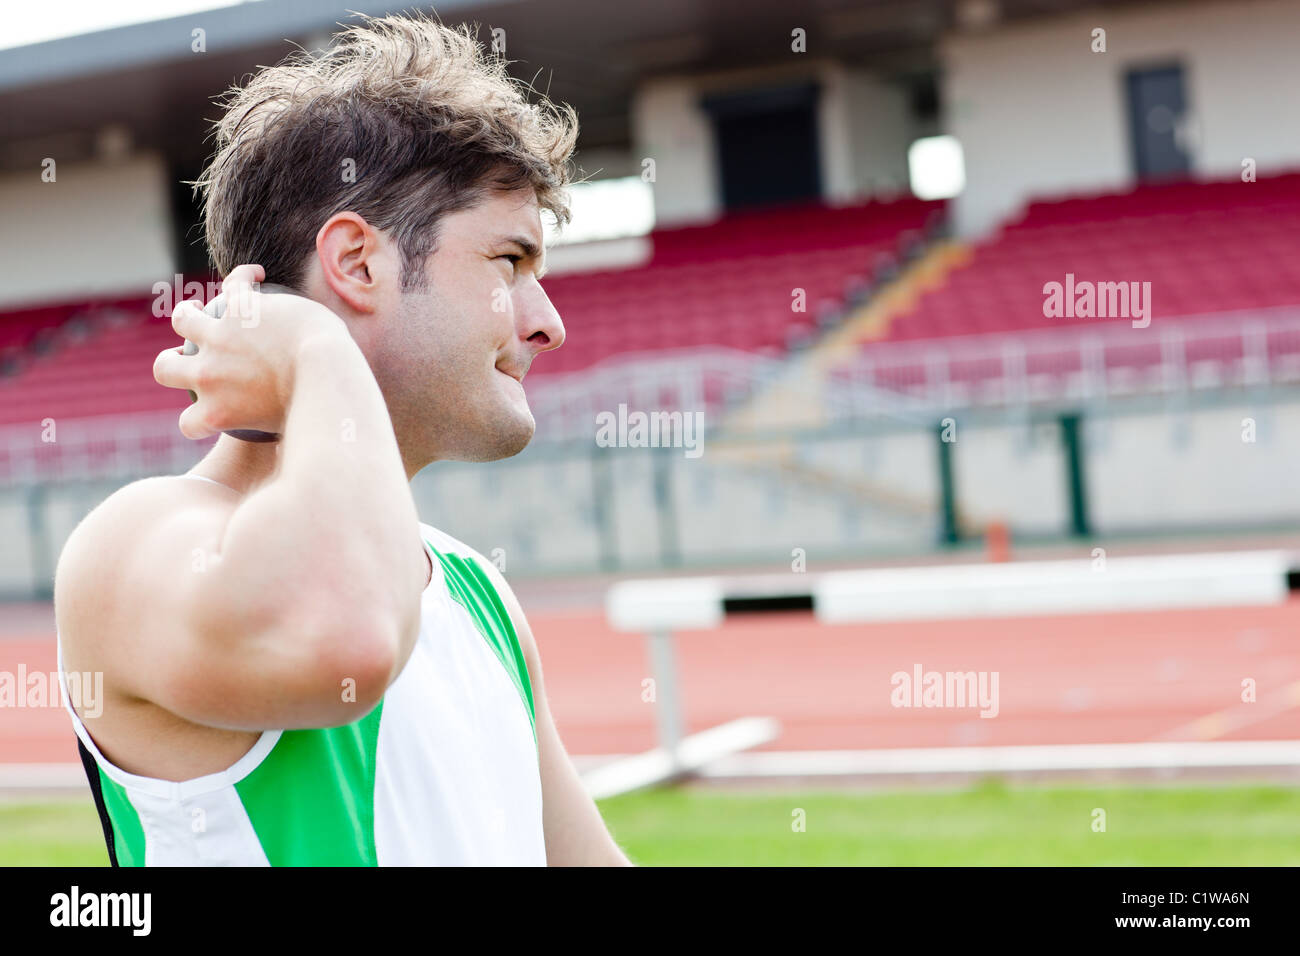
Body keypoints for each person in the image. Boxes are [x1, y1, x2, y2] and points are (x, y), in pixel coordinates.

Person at [54, 13, 630, 866]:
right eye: (510, 264)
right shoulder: (132, 542)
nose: (548, 326)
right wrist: (311, 345)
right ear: (357, 264)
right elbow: (346, 640)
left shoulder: (480, 595)